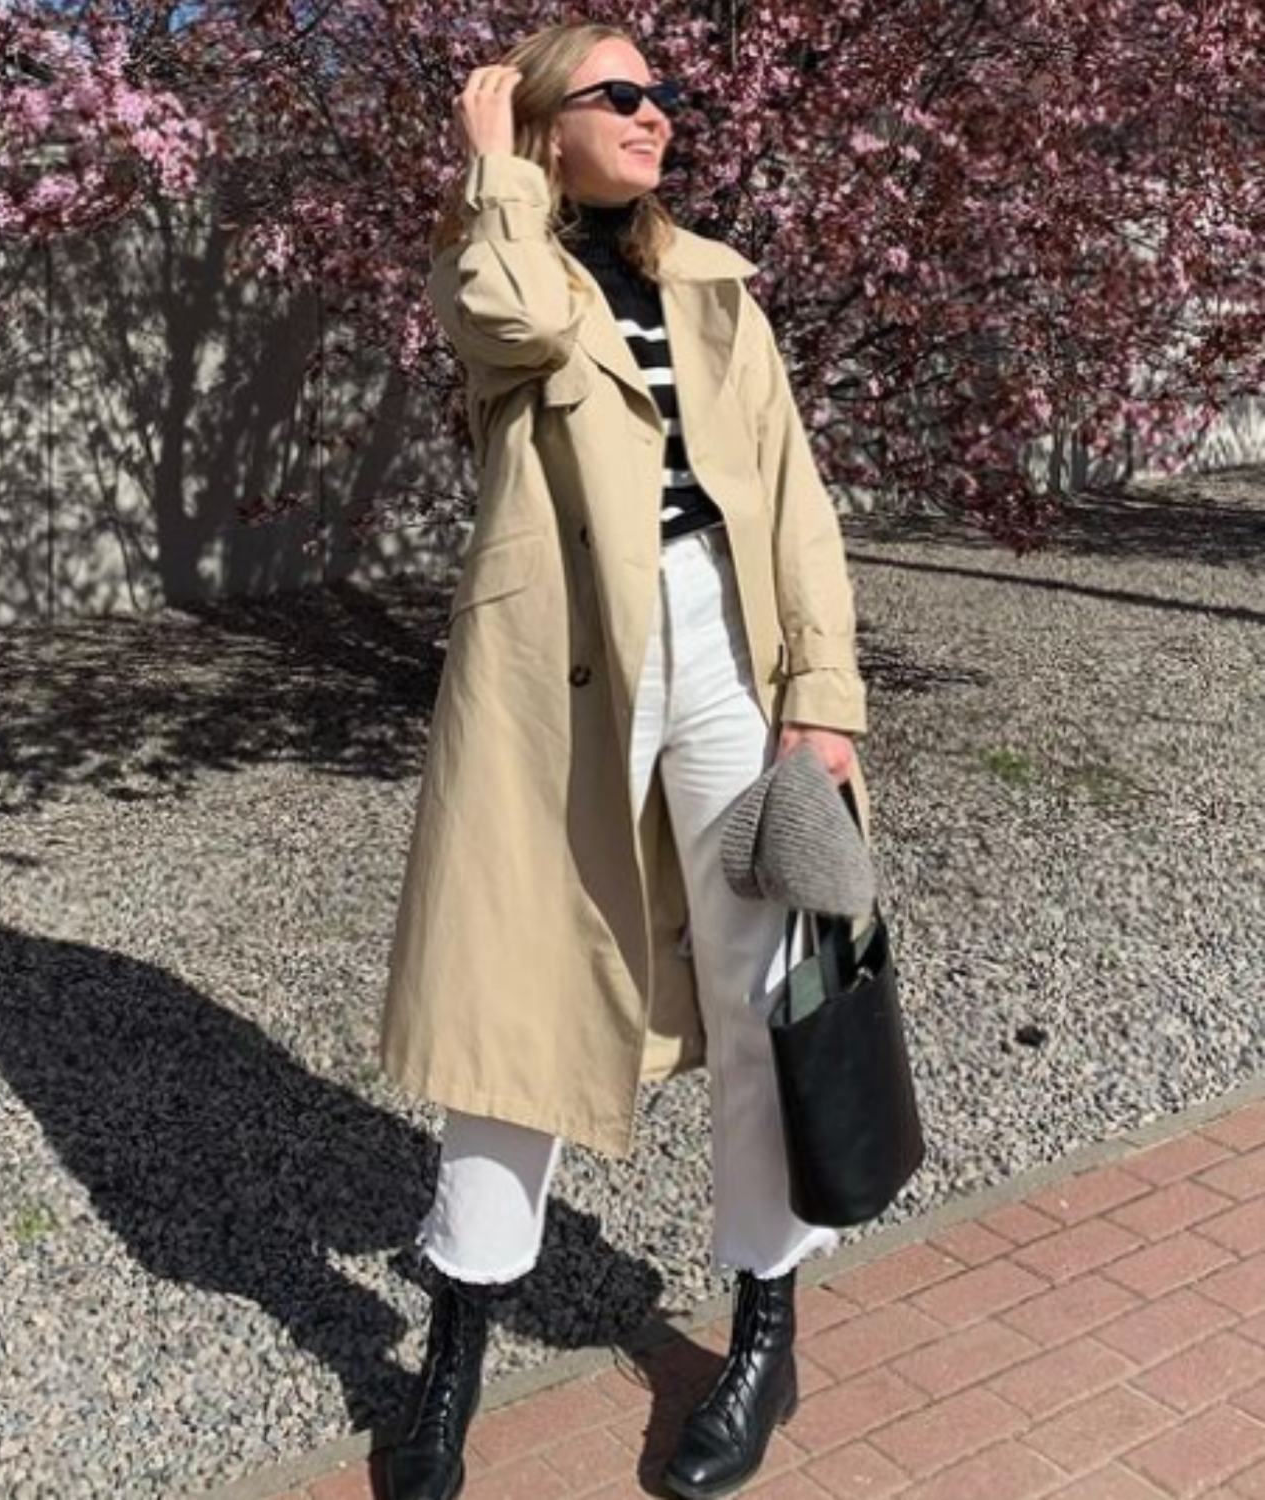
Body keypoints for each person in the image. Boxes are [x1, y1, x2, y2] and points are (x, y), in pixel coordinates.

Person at [378, 21, 868, 1500]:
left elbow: (790, 498)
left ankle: (765, 1320)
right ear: (542, 125)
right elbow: (514, 327)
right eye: (620, 95)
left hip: (726, 642)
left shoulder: (713, 284)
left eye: (662, 93)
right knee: (513, 991)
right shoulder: (492, 259)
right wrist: (496, 177)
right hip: (558, 659)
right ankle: (457, 1341)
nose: (656, 114)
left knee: (764, 981)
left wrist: (822, 693)